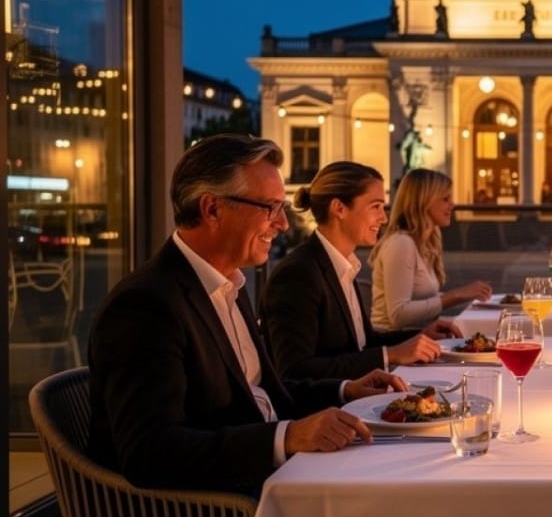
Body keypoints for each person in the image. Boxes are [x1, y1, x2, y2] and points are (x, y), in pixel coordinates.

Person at [87, 135, 406, 494]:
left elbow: (260, 394)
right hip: (216, 505)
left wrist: (346, 389)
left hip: (273, 477)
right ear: (212, 210)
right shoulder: (145, 306)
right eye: (270, 208)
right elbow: (150, 452)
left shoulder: (228, 286)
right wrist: (286, 437)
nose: (283, 224)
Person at [260, 162, 460, 382]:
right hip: (332, 403)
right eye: (375, 207)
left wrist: (420, 335)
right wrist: (390, 355)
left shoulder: (342, 264)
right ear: (339, 209)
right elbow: (294, 372)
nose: (384, 218)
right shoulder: (298, 274)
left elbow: (362, 344)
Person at [371, 168, 492, 332]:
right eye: (445, 199)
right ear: (424, 202)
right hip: (394, 343)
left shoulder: (425, 243)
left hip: (418, 337)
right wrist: (456, 295)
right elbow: (398, 315)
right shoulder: (401, 244)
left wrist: (464, 295)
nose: (453, 205)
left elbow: (419, 304)